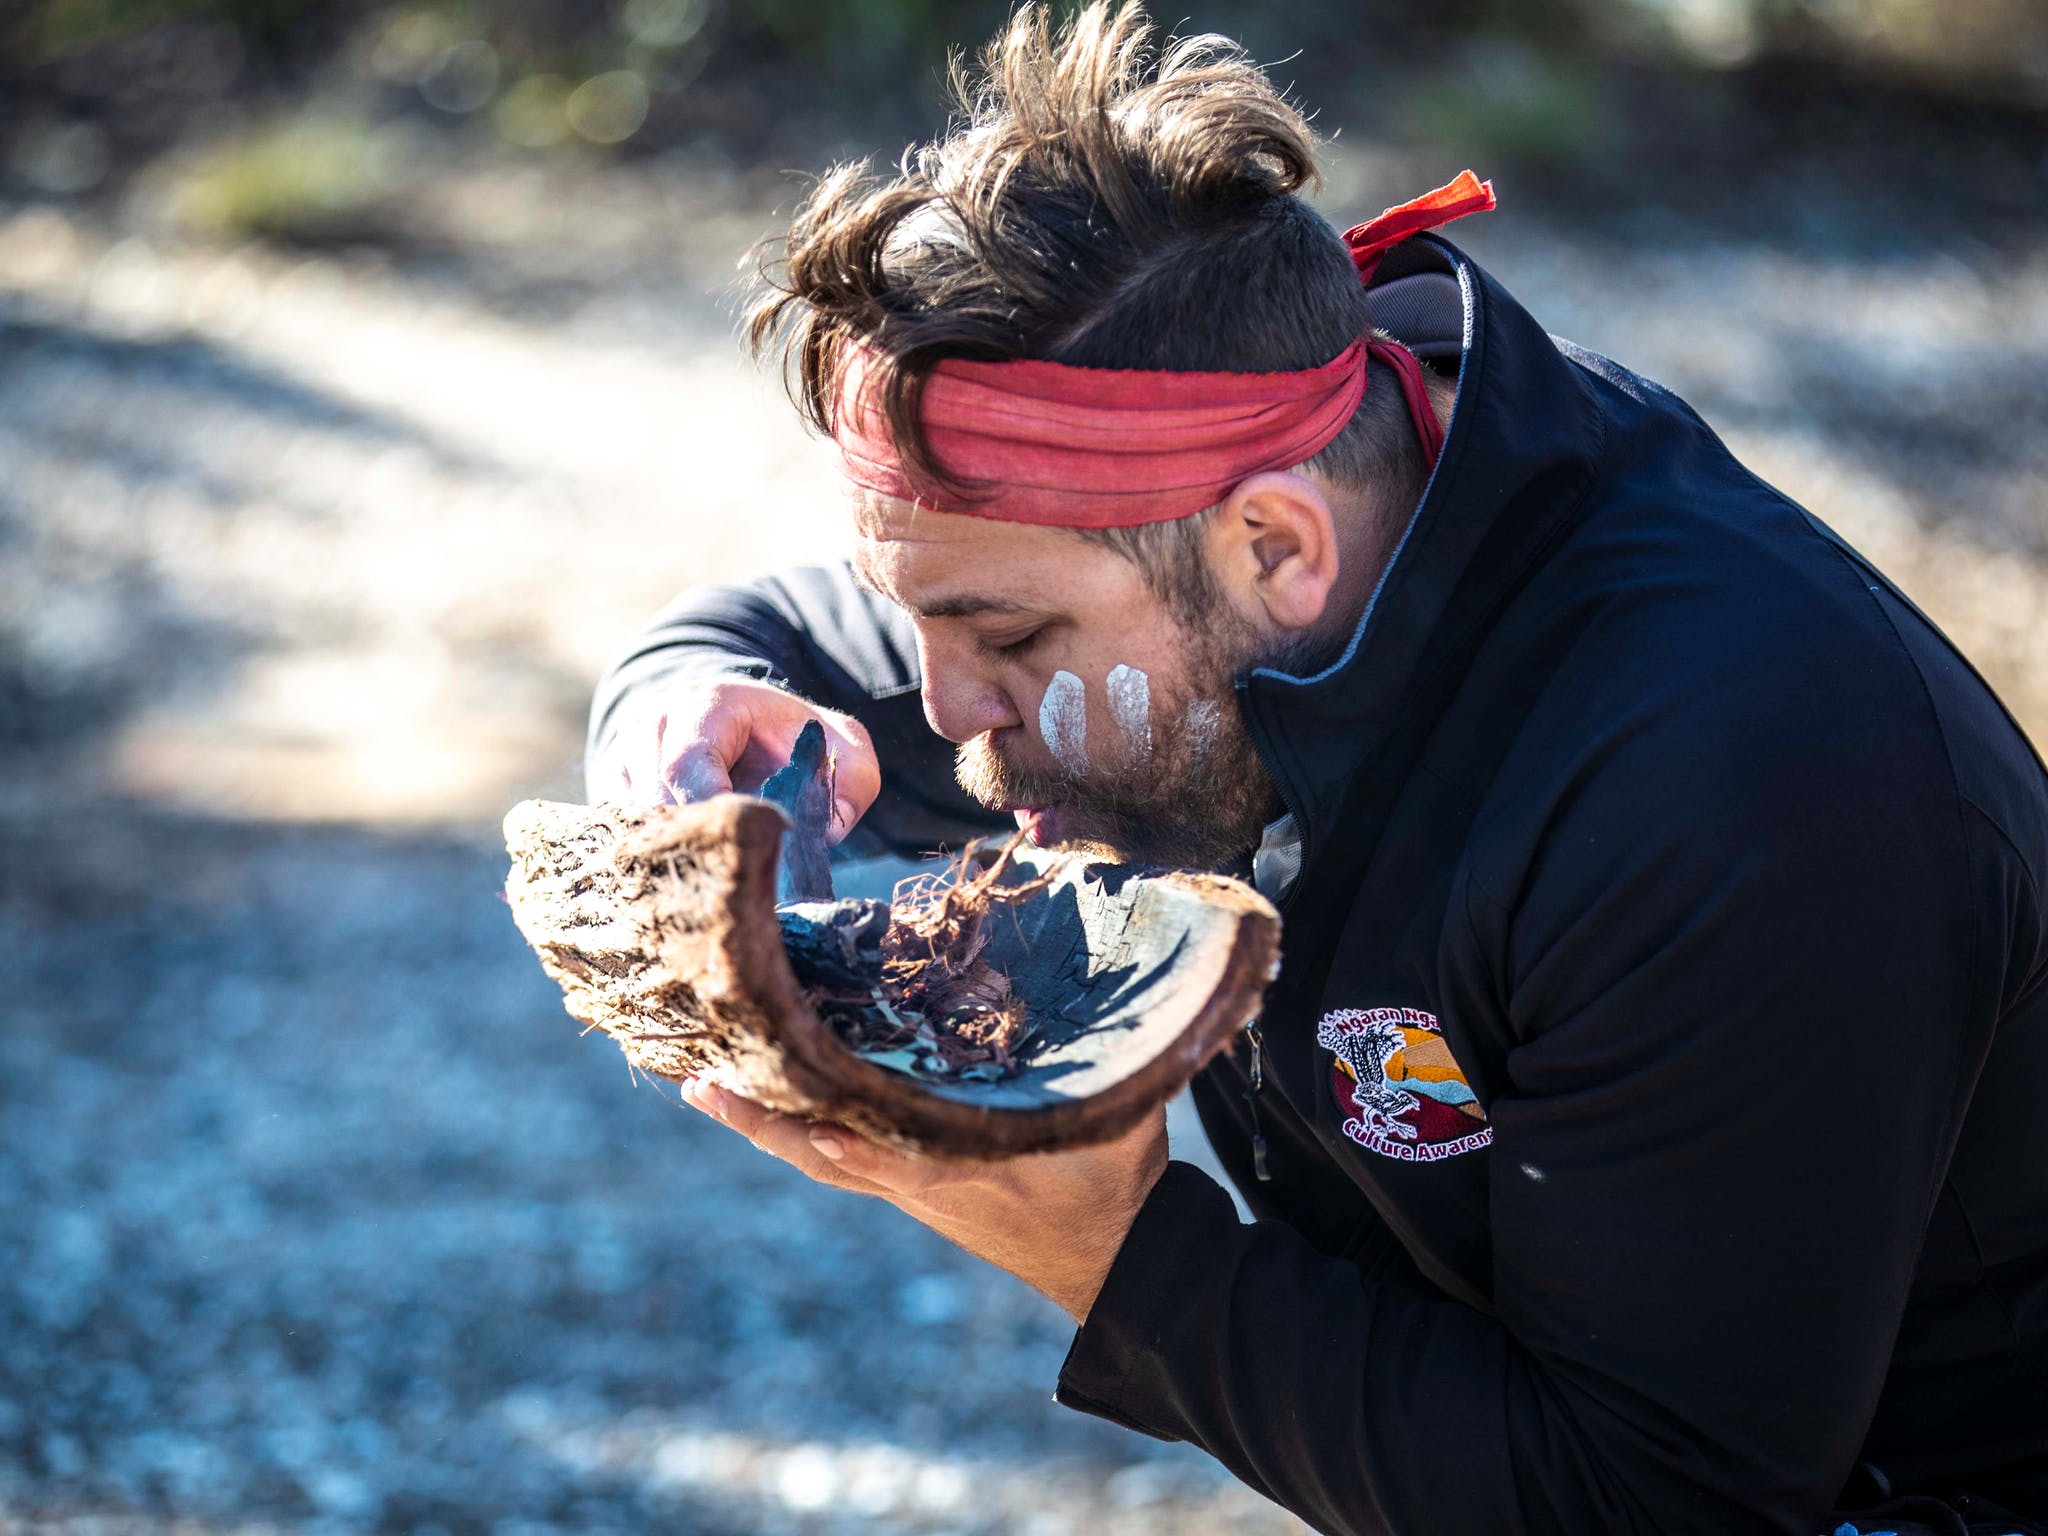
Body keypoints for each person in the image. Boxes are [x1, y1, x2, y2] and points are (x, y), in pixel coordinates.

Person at [582, 6, 2048, 1533]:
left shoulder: (1724, 786)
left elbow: (1653, 1503)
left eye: (1004, 635)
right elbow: (757, 644)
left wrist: (1114, 1253)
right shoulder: (1280, 536)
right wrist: (675, 717)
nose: (941, 712)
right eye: (919, 621)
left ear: (1276, 544)